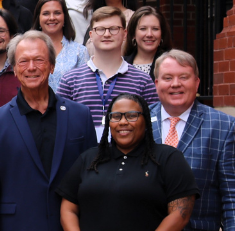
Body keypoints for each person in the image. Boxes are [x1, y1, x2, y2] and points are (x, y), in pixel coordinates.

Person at [0, 31, 97, 231]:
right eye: (23, 61)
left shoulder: (80, 116)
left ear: (52, 66)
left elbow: (93, 180)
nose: (31, 68)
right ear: (14, 69)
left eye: (39, 60)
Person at [57, 93, 199, 231]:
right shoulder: (89, 158)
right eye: (116, 117)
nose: (123, 122)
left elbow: (180, 214)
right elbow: (68, 208)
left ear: (146, 120)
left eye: (132, 116)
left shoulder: (168, 158)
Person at [151, 50, 235, 231]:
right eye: (167, 78)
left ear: (197, 83)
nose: (175, 84)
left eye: (183, 77)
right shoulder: (137, 121)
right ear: (156, 83)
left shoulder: (223, 127)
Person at [58, 7, 158, 140]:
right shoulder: (70, 80)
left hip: (130, 157)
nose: (107, 34)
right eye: (100, 29)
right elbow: (60, 124)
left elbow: (154, 126)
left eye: (113, 29)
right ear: (91, 35)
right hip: (84, 157)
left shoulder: (143, 80)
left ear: (124, 33)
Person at [33, 0, 88, 91]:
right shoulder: (27, 49)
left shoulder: (80, 52)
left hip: (69, 105)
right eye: (46, 13)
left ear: (65, 17)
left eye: (57, 13)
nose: (52, 18)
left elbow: (84, 89)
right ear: (38, 18)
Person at [123, 6, 173, 81]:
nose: (149, 34)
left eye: (155, 29)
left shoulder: (172, 63)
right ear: (133, 34)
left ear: (162, 33)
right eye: (143, 29)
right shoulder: (121, 65)